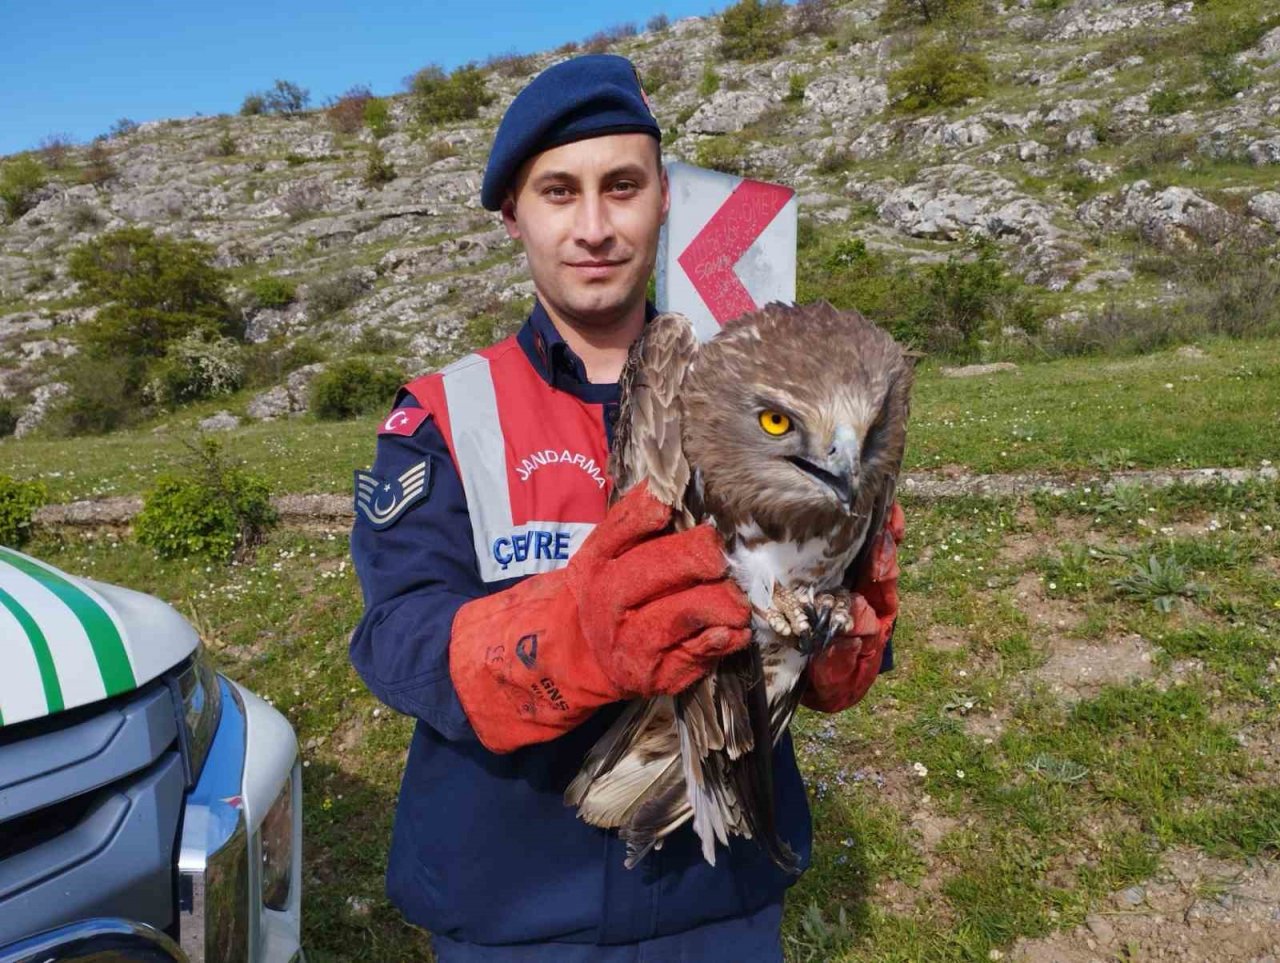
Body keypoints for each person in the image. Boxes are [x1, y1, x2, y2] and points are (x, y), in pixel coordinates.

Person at [349, 53, 904, 962]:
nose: (596, 226)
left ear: (664, 201)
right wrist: (569, 639)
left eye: (623, 187)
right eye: (559, 192)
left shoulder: (779, 389)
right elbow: (395, 637)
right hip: (514, 900)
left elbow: (825, 626)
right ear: (512, 217)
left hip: (715, 889)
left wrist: (849, 639)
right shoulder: (445, 413)